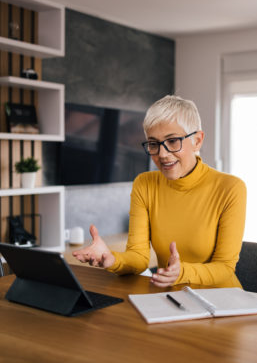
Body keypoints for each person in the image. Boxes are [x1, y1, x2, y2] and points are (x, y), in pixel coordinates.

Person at [73, 95, 247, 288]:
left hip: (221, 301)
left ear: (197, 140)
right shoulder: (145, 184)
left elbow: (224, 267)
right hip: (171, 297)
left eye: (172, 141)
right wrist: (111, 259)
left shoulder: (230, 188)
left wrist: (182, 272)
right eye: (154, 144)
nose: (162, 154)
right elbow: (138, 257)